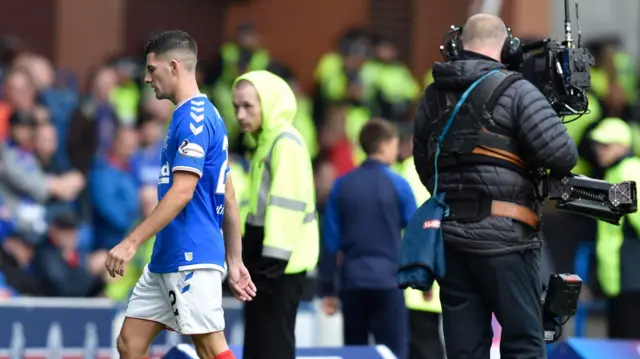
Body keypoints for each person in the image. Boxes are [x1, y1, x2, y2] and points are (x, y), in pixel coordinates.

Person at [412, 14, 578, 359]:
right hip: (507, 241)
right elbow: (562, 155)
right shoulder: (516, 90)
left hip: (451, 240)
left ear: (458, 45)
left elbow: (425, 167)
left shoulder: (431, 96)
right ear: (508, 47)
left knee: (464, 349)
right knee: (523, 345)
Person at [104, 30, 256, 359]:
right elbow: (227, 195)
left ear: (174, 67)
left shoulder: (194, 120)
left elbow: (183, 191)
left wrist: (131, 242)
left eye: (151, 69)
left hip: (192, 254)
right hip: (167, 255)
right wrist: (234, 259)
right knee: (130, 343)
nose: (146, 78)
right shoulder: (194, 117)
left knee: (211, 348)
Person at [232, 70, 319, 359]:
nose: (240, 114)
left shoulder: (285, 142)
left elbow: (287, 209)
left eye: (247, 106)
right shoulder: (267, 141)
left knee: (272, 347)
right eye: (236, 107)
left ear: (268, 103)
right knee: (260, 345)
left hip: (280, 267)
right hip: (266, 263)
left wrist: (268, 269)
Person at [320, 119, 413, 359]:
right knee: (394, 353)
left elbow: (330, 241)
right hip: (389, 283)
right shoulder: (399, 185)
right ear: (383, 145)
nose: (396, 149)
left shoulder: (342, 186)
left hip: (353, 282)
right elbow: (414, 231)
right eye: (394, 143)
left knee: (355, 353)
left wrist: (328, 289)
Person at [588, 117, 640, 339]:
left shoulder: (629, 170)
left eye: (606, 145)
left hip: (632, 278)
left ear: (623, 146)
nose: (599, 150)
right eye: (597, 144)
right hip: (621, 278)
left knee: (627, 343)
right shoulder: (615, 171)